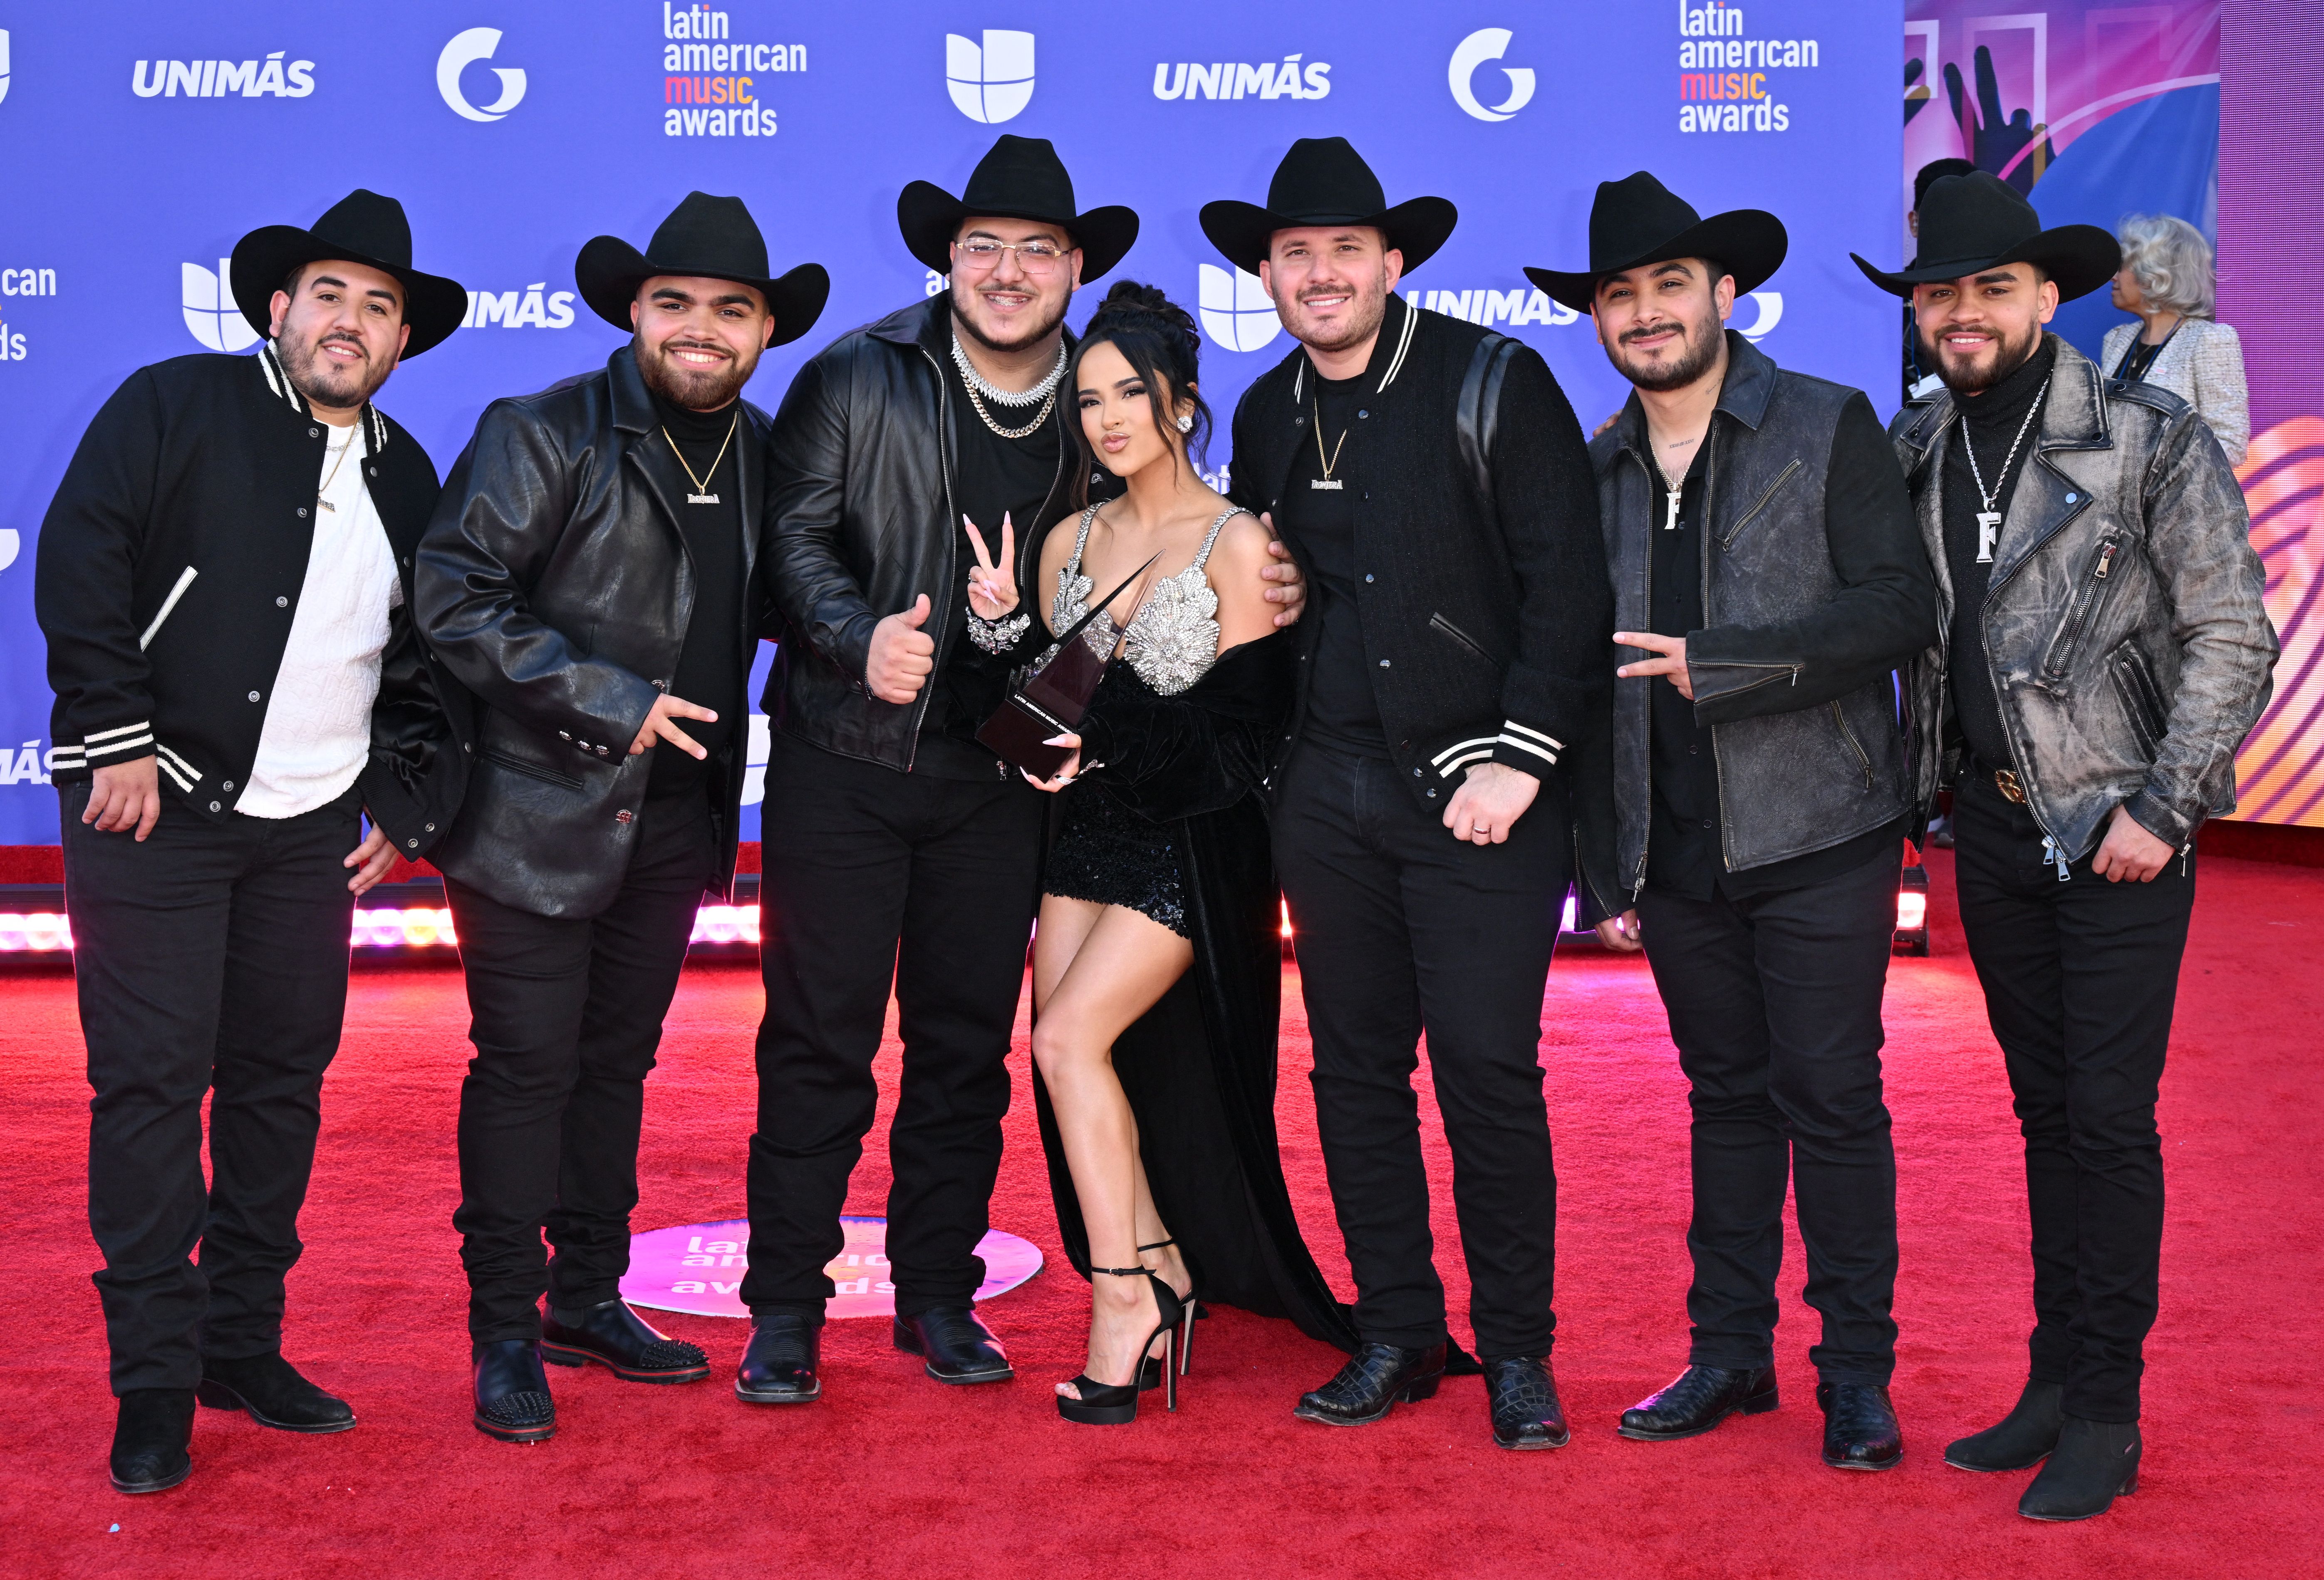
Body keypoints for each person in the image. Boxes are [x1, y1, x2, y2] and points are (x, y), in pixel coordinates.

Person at [741, 136, 1304, 1407]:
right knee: (818, 1043)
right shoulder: (860, 373)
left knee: (962, 1050)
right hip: (845, 756)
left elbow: (1096, 627)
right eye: (984, 246)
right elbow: (789, 545)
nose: (1008, 271)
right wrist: (853, 633)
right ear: (948, 258)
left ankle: (937, 1296)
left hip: (1007, 785)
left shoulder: (1092, 409)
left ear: (1074, 268)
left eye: (1037, 250)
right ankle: (785, 1307)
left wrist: (1272, 573)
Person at [1855, 171, 2276, 1521]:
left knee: (2103, 1117)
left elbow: (2231, 630)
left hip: (2117, 828)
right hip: (1985, 818)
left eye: (1987, 288)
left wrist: (2165, 803)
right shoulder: (1917, 441)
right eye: (1938, 293)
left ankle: (2106, 1403)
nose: (1959, 313)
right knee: (2045, 1113)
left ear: (2045, 296)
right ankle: (2051, 1375)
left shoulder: (2145, 436)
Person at [35, 190, 468, 1493]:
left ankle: (241, 1348)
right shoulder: (175, 405)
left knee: (281, 1092)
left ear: (401, 342)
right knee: (154, 1094)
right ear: (277, 310)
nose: (351, 322)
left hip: (309, 839)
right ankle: (153, 1386)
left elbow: (425, 663)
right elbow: (82, 556)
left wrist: (407, 807)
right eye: (328, 296)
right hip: (156, 814)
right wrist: (110, 733)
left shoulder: (405, 472)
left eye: (378, 307)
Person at [1200, 136, 1611, 1451]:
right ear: (1265, 273)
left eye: (1342, 252)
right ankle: (1395, 1328)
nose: (1318, 274)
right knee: (1353, 1074)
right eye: (1294, 255)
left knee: (1487, 1072)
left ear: (1392, 261)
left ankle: (1518, 1351)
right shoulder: (1266, 414)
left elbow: (1571, 593)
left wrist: (1521, 755)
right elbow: (1261, 602)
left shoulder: (1494, 382)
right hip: (1325, 796)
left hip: (1483, 788)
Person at [1536, 173, 1938, 1471]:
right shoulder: (1588, 469)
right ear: (1595, 318)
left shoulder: (1828, 426)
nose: (1643, 314)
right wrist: (1603, 855)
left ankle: (1856, 1375)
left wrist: (1727, 660)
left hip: (1819, 824)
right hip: (1675, 843)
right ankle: (1727, 1355)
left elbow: (1894, 609)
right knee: (1721, 1099)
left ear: (1720, 292)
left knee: (1828, 1094)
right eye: (1617, 295)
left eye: (1666, 285)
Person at [416, 193, 828, 1442]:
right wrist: (610, 701)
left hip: (674, 818)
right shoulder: (545, 432)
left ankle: (584, 1297)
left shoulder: (764, 452)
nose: (701, 330)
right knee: (527, 1067)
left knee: (615, 1067)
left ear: (763, 332)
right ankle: (500, 1331)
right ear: (634, 312)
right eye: (677, 305)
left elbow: (793, 600)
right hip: (536, 811)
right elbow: (454, 593)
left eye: (731, 311)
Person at [960, 281, 1358, 1426]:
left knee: (1066, 1035)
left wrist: (1103, 720)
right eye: (1087, 399)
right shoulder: (1067, 540)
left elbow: (1236, 744)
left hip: (1189, 845)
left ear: (1182, 403)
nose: (1107, 417)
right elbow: (1045, 702)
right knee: (1074, 1056)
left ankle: (1124, 1296)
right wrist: (1002, 636)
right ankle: (1163, 1262)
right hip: (1082, 832)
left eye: (1130, 392)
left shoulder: (1242, 546)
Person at [2103, 213, 2249, 465]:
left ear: (2154, 272)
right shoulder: (2117, 339)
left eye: (2123, 266)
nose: (2113, 277)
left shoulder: (2209, 339)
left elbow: (2231, 444)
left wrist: (2154, 471)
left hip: (2171, 502)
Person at [1902, 158, 1978, 404]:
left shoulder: (2006, 303)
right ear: (1915, 222)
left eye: (1970, 215)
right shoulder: (1883, 303)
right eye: (1941, 216)